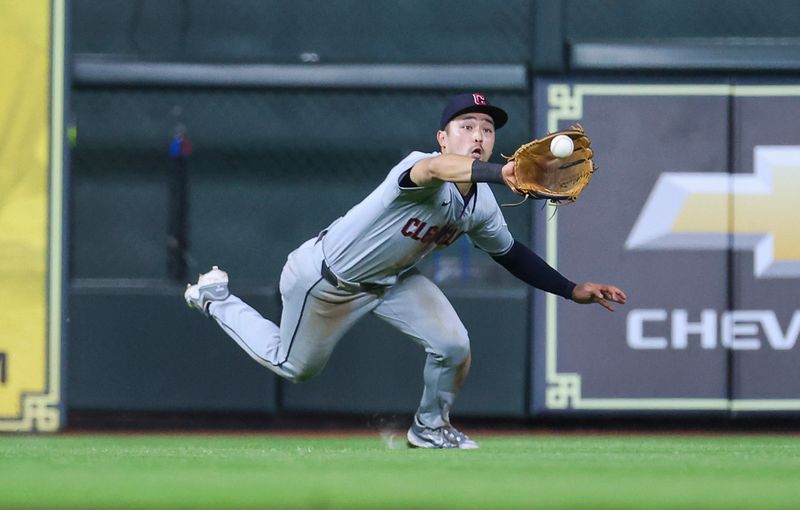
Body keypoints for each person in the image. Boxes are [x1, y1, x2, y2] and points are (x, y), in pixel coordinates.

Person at [184, 92, 627, 449]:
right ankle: (215, 299)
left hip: (392, 282)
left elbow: (510, 254)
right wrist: (499, 171)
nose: (478, 135)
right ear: (443, 136)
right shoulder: (420, 166)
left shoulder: (482, 205)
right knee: (294, 367)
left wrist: (571, 289)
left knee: (453, 345)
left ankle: (430, 429)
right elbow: (437, 169)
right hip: (326, 280)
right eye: (467, 126)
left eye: (487, 129)